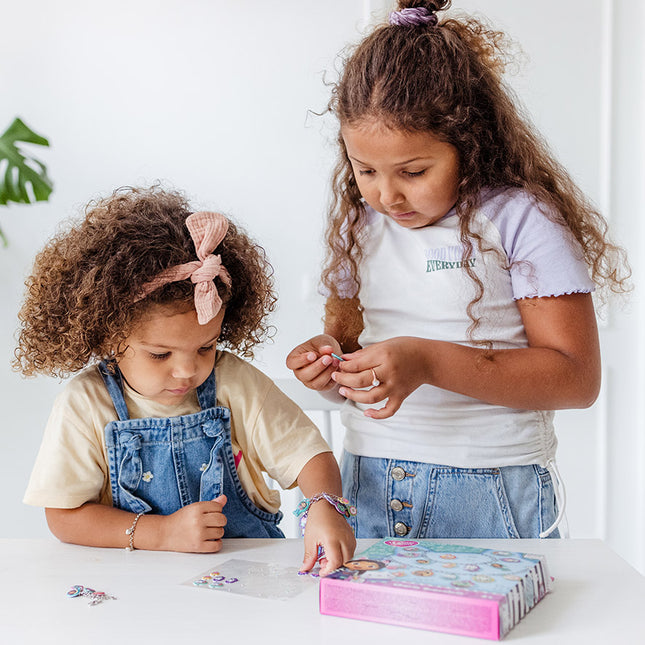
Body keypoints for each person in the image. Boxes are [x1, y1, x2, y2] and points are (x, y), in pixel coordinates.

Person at [287, 1, 630, 540]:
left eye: (414, 171)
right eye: (365, 169)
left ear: (469, 145)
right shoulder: (358, 222)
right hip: (369, 479)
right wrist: (332, 369)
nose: (386, 193)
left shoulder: (520, 220)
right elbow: (353, 350)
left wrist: (426, 360)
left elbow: (576, 379)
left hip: (490, 487)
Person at [17, 186, 355, 574]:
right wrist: (161, 533)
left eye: (206, 348)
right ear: (109, 336)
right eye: (160, 354)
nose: (187, 371)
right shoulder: (86, 403)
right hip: (135, 587)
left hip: (245, 580)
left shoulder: (234, 384)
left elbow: (310, 456)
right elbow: (64, 517)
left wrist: (325, 506)